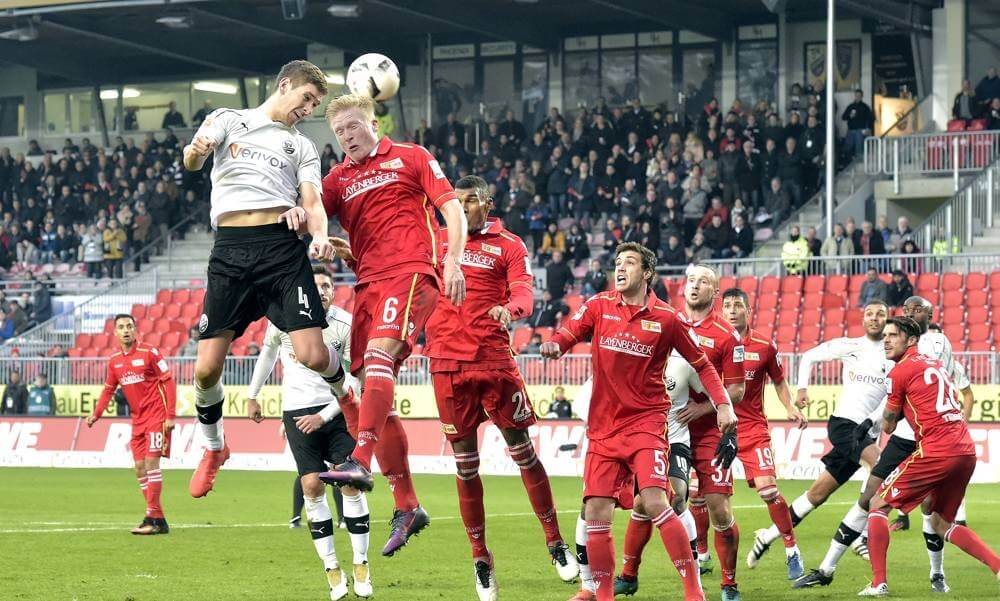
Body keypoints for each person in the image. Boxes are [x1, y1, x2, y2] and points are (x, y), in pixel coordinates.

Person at [182, 61, 346, 501]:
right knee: (205, 369)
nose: (308, 109)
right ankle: (214, 448)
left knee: (313, 355)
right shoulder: (228, 119)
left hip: (280, 250)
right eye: (307, 98)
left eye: (315, 104)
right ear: (284, 84)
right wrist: (197, 149)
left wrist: (317, 237)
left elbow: (311, 201)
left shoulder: (302, 147)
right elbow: (192, 160)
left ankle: (345, 393)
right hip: (230, 251)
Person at [318, 92, 468, 557]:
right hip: (367, 284)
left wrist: (454, 260)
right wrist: (324, 238)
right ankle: (407, 505)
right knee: (370, 393)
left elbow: (453, 208)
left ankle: (359, 458)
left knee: (381, 358)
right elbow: (311, 214)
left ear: (373, 122)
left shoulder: (411, 157)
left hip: (410, 273)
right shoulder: (338, 178)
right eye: (339, 132)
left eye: (353, 127)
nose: (347, 137)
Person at [541, 242, 736, 601]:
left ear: (646, 273)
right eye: (617, 262)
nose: (620, 267)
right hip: (602, 429)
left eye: (629, 262)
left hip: (646, 425)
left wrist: (722, 405)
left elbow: (703, 365)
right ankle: (602, 594)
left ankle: (694, 592)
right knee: (596, 509)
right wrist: (555, 344)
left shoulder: (667, 318)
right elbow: (568, 332)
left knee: (657, 501)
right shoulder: (599, 305)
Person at [424, 176, 577, 599]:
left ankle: (555, 542)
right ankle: (480, 557)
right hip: (446, 366)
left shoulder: (509, 244)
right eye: (456, 202)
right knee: (466, 466)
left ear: (487, 204)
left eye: (470, 201)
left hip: (493, 362)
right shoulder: (435, 240)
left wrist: (510, 309)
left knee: (523, 452)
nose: (462, 208)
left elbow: (525, 293)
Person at [796, 297, 975, 593]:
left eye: (917, 310)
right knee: (869, 497)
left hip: (929, 437)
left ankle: (936, 573)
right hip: (904, 436)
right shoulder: (898, 347)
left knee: (930, 508)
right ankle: (827, 568)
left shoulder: (937, 343)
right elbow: (894, 396)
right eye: (906, 310)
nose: (909, 313)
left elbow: (946, 385)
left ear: (927, 318)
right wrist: (871, 422)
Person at [246, 266, 372, 600]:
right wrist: (252, 394)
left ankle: (361, 563)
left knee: (349, 481)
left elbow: (356, 379)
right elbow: (268, 352)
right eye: (316, 286)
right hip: (296, 412)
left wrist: (325, 414)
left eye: (328, 285)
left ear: (334, 290)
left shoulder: (345, 325)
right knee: (311, 485)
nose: (323, 291)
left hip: (337, 410)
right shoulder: (285, 319)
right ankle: (332, 568)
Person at [858, 317, 1000, 597]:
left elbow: (887, 425)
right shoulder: (936, 364)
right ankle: (998, 567)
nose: (886, 340)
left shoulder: (899, 372)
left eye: (893, 335)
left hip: (937, 450)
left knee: (877, 503)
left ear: (911, 340)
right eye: (884, 335)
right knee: (941, 523)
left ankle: (878, 583)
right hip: (965, 450)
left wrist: (890, 415)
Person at [748, 302, 893, 568]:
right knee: (881, 466)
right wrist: (802, 389)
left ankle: (766, 537)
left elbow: (892, 401)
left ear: (887, 319)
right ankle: (859, 535)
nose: (874, 318)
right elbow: (809, 356)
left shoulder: (893, 356)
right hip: (844, 425)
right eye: (870, 314)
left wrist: (874, 423)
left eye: (880, 314)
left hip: (864, 433)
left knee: (816, 495)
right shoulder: (852, 346)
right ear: (863, 319)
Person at [722, 289, 807, 579]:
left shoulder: (763, 346)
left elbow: (780, 381)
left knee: (769, 491)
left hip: (752, 428)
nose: (732, 311)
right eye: (727, 306)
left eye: (738, 306)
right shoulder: (712, 343)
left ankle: (791, 549)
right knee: (697, 496)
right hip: (716, 430)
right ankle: (703, 556)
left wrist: (790, 407)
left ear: (748, 310)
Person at [676, 265, 746, 601]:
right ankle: (628, 574)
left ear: (714, 292)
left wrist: (705, 408)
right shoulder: (667, 322)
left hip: (709, 431)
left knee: (718, 507)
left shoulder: (728, 336)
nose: (695, 286)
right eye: (691, 280)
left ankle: (729, 583)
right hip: (670, 426)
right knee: (652, 500)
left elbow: (737, 390)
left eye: (703, 282)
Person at [86, 314, 177, 535]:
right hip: (137, 420)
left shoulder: (150, 353)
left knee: (151, 465)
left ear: (135, 330)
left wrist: (170, 415)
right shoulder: (115, 361)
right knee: (139, 469)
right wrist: (96, 414)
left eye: (129, 326)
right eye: (121, 327)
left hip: (156, 417)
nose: (126, 330)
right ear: (115, 332)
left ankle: (151, 517)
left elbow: (169, 381)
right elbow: (108, 389)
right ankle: (159, 519)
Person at [841, 89, 873, 163]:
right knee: (848, 149)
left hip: (860, 131)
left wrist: (868, 129)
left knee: (859, 149)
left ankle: (859, 165)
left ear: (862, 96)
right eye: (856, 95)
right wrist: (849, 116)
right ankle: (848, 166)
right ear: (854, 96)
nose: (858, 97)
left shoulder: (865, 107)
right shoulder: (850, 106)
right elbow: (843, 117)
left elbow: (870, 119)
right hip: (850, 130)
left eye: (859, 96)